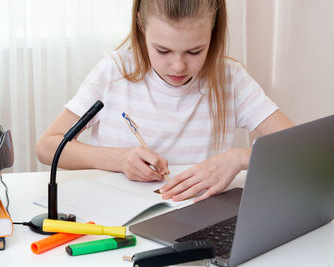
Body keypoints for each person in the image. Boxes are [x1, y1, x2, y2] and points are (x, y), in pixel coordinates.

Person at [36, 0, 293, 203]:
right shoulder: (114, 72)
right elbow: (48, 147)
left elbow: (303, 151)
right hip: (119, 221)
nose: (178, 66)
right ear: (141, 25)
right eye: (163, 50)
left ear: (213, 31)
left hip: (197, 219)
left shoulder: (231, 80)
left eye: (195, 51)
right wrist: (118, 160)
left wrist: (239, 158)